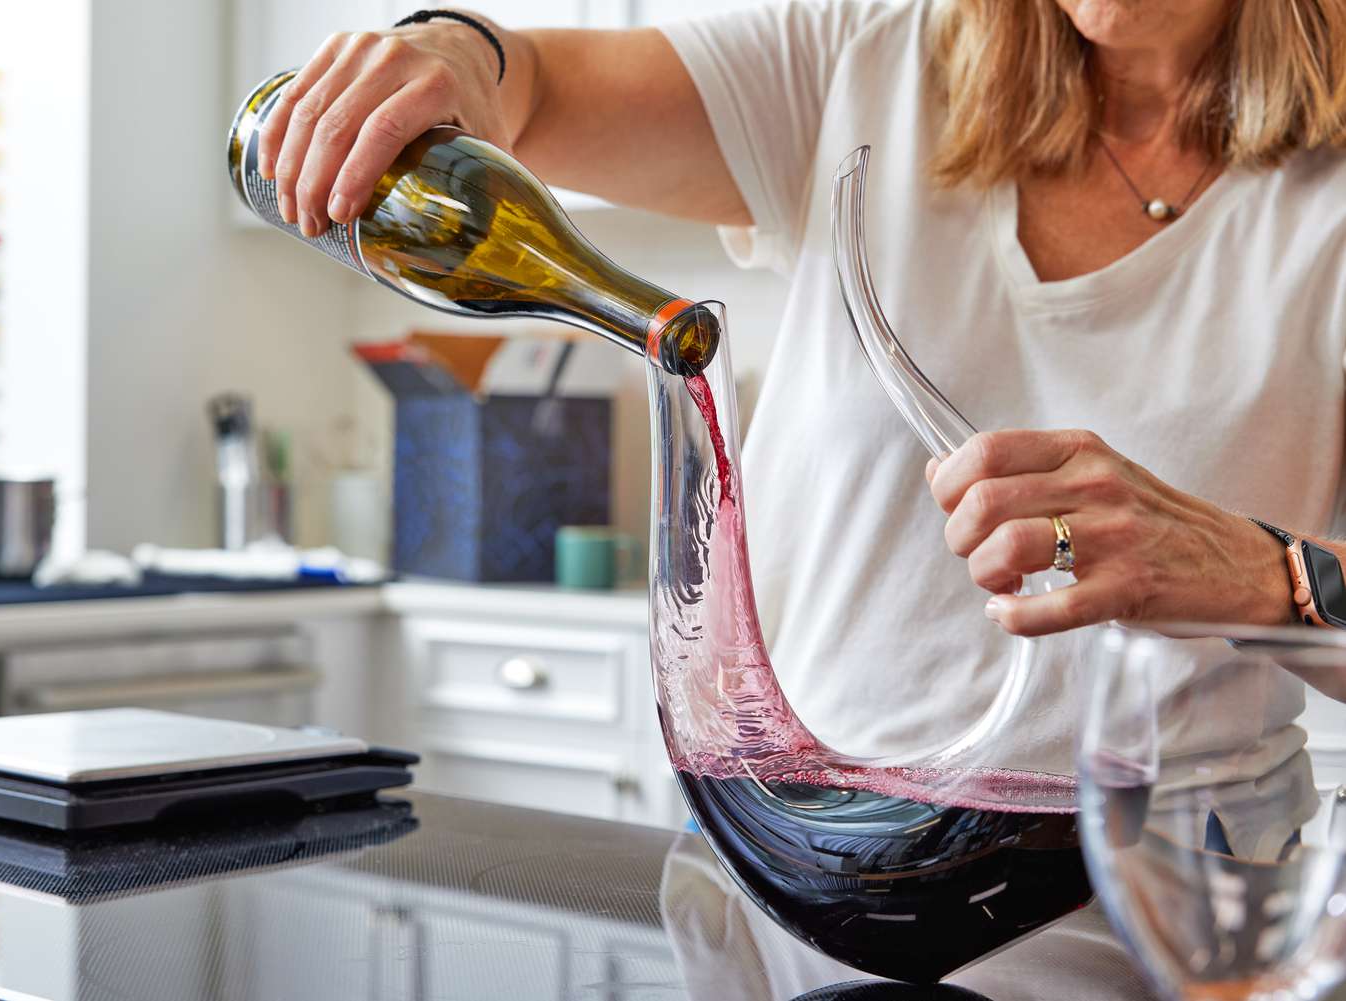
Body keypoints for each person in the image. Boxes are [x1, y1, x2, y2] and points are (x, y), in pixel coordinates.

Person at [256, 1, 1346, 996]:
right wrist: (453, 48)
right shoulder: (862, 60)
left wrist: (1271, 576)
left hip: (1163, 922)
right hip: (778, 882)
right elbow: (525, 82)